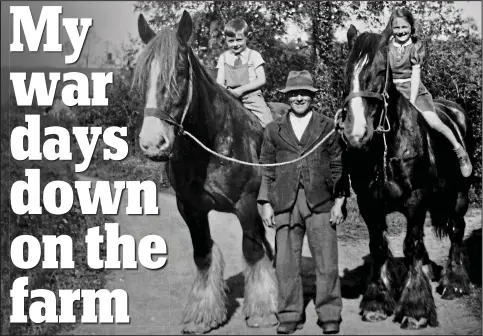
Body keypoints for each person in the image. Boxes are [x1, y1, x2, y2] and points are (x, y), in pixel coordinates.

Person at [257, 70, 350, 335]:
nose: (299, 98)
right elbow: (267, 167)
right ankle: (289, 314)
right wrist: (265, 202)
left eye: (304, 94)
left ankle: (329, 314)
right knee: (285, 263)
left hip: (320, 202)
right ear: (287, 97)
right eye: (294, 94)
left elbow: (338, 166)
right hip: (284, 202)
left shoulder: (327, 126)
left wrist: (339, 201)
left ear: (312, 97)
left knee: (327, 262)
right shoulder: (273, 129)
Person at [380, 8, 472, 177]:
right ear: (392, 29)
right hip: (391, 91)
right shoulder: (386, 47)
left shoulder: (416, 47)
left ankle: (459, 151)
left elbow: (415, 76)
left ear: (411, 27)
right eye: (397, 28)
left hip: (412, 89)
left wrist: (412, 100)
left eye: (404, 27)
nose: (401, 32)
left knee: (433, 122)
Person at [216, 18, 273, 128]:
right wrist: (228, 91)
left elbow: (261, 79)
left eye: (239, 40)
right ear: (226, 40)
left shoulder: (254, 55)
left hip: (251, 97)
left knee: (268, 123)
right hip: (230, 96)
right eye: (231, 41)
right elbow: (219, 82)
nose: (235, 44)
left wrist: (241, 90)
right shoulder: (223, 58)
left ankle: (272, 143)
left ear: (247, 37)